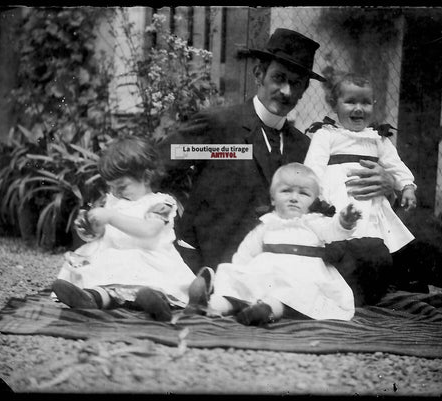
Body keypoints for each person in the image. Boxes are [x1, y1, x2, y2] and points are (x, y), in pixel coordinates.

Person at [160, 28, 396, 274]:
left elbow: (337, 200)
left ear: (304, 90)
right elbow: (157, 167)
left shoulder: (307, 149)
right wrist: (175, 219)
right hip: (208, 264)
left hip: (277, 271)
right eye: (279, 78)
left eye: (296, 84)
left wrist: (386, 186)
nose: (286, 92)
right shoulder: (219, 126)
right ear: (259, 74)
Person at [184, 163, 363, 326]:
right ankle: (211, 306)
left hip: (301, 278)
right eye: (286, 191)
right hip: (265, 275)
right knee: (237, 285)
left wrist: (345, 221)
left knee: (288, 296)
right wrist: (238, 275)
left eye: (303, 193)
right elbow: (246, 252)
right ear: (272, 199)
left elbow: (334, 230)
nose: (294, 198)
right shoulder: (266, 224)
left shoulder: (315, 223)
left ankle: (265, 311)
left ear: (314, 200)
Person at [51, 136, 196, 321]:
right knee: (105, 282)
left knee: (152, 284)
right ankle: (90, 298)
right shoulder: (112, 201)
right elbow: (104, 233)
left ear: (146, 177)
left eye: (122, 186)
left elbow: (148, 230)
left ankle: (154, 301)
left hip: (149, 258)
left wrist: (111, 216)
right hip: (114, 256)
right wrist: (93, 228)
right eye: (112, 188)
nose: (117, 193)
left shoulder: (160, 203)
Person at [304, 72, 417, 254]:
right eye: (350, 102)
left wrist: (407, 187)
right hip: (337, 197)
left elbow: (395, 165)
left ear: (373, 105)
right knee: (341, 236)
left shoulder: (377, 139)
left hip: (371, 201)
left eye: (365, 102)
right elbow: (313, 169)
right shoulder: (326, 135)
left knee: (373, 240)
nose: (358, 108)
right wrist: (317, 199)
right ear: (335, 105)